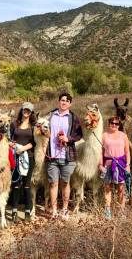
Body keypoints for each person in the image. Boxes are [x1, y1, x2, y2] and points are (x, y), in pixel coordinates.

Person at [46, 92, 83, 220]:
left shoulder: (73, 117)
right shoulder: (50, 115)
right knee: (53, 183)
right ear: (58, 101)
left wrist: (68, 138)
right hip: (52, 155)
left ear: (70, 104)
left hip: (68, 156)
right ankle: (54, 210)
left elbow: (79, 135)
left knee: (65, 183)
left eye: (67, 101)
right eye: (62, 100)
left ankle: (65, 209)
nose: (64, 102)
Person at [98, 116, 130, 220]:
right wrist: (100, 165)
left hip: (120, 164)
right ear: (109, 123)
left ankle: (121, 210)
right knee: (108, 188)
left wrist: (128, 165)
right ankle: (107, 210)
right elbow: (100, 152)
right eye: (112, 123)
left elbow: (127, 152)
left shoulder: (123, 136)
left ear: (119, 124)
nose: (114, 125)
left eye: (116, 123)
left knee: (121, 188)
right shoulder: (104, 136)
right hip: (108, 164)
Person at [9, 102, 36, 223]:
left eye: (29, 111)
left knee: (26, 185)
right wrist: (11, 144)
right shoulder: (14, 124)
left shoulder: (34, 126)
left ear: (31, 112)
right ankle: (14, 211)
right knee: (15, 183)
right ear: (22, 110)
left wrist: (23, 149)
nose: (26, 112)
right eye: (25, 110)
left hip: (28, 157)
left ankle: (27, 212)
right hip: (15, 157)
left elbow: (35, 142)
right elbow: (9, 138)